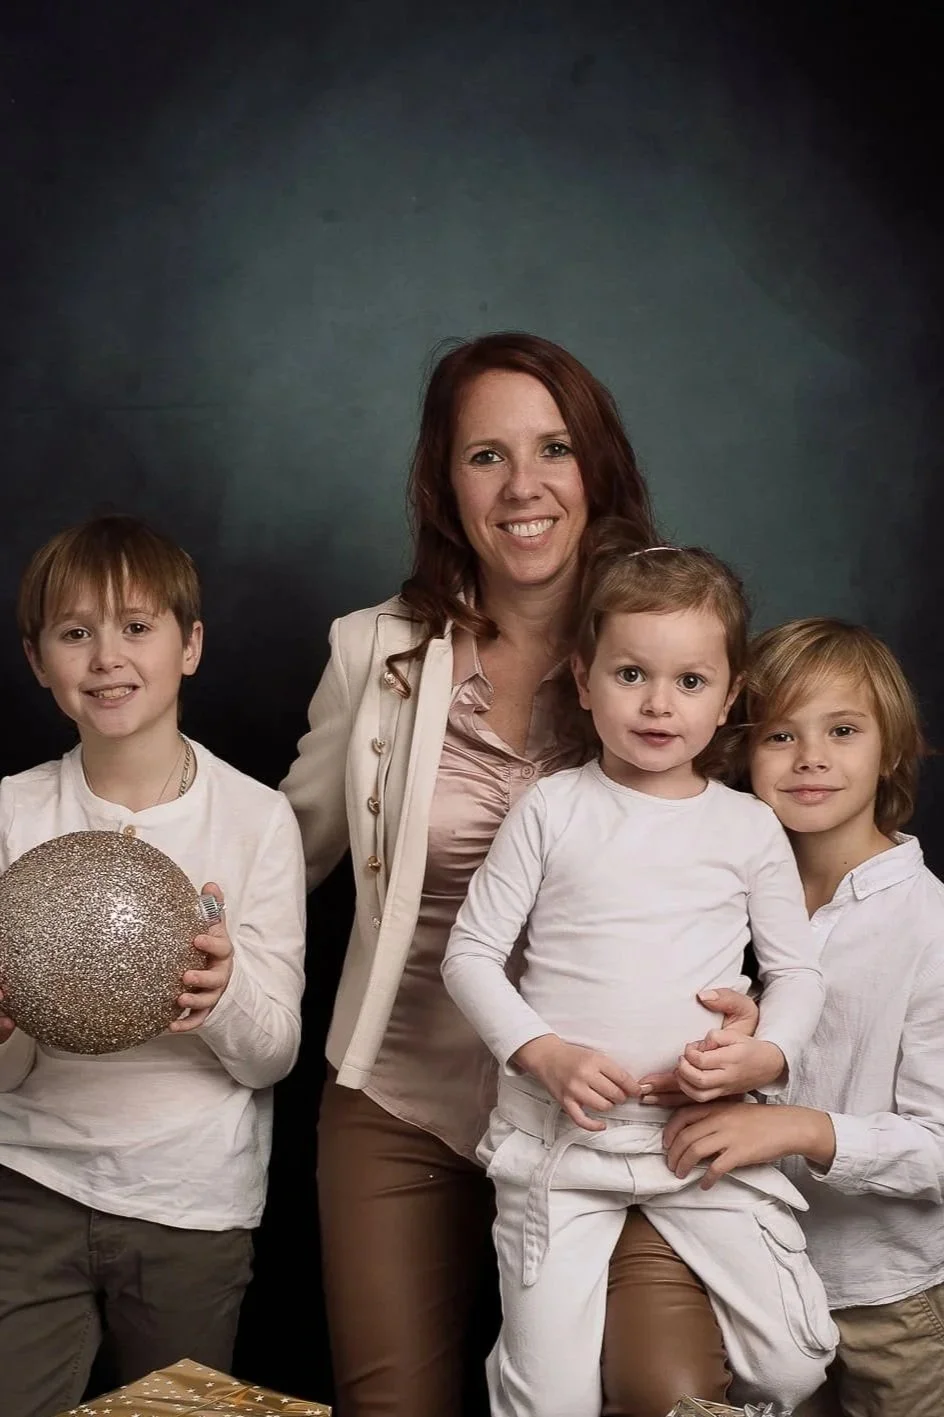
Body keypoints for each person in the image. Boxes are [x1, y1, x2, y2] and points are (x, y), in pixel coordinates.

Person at [280, 332, 749, 1416]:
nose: (523, 484)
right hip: (398, 1098)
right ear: (445, 484)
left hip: (614, 1110)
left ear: (597, 470)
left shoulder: (670, 648)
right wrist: (165, 919)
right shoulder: (373, 652)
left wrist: (762, 1015)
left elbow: (756, 869)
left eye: (553, 449)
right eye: (484, 455)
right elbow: (274, 853)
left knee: (648, 1392)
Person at [442, 529, 839, 1415]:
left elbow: (797, 972)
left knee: (792, 1365)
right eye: (631, 675)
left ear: (729, 694)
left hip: (698, 1143)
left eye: (690, 681)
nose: (659, 705)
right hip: (561, 1148)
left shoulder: (746, 828)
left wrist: (767, 1055)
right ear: (583, 680)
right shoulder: (553, 808)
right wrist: (541, 1051)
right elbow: (469, 954)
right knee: (546, 1399)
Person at [0, 515, 307, 1417]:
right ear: (37, 659)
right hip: (29, 1186)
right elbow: (10, 1074)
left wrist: (221, 998)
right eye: (74, 631)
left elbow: (272, 1054)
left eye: (137, 626)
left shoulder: (256, 820)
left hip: (192, 1204)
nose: (106, 657)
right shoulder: (13, 815)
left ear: (190, 646)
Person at [663, 617, 944, 1417]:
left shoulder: (928, 925)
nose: (811, 756)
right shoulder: (727, 896)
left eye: (843, 730)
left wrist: (794, 1126)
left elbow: (941, 1148)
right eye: (781, 733)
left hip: (890, 1302)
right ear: (745, 753)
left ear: (891, 748)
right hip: (756, 1277)